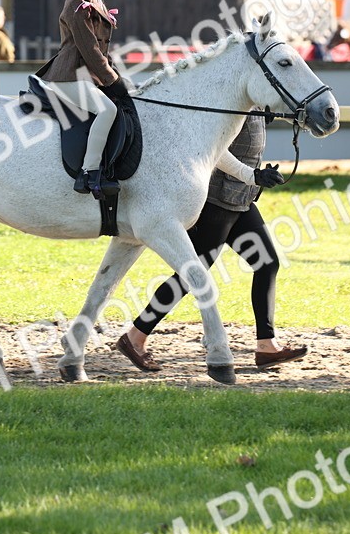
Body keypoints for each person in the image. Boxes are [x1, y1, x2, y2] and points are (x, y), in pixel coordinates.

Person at [115, 115, 308, 372]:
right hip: (217, 201)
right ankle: (135, 336)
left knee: (266, 262)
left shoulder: (256, 99)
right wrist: (253, 175)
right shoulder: (231, 102)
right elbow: (213, 149)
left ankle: (266, 346)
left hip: (241, 200)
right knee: (191, 274)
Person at [36, 0, 128, 199]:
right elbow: (89, 51)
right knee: (107, 111)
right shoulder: (76, 4)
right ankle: (89, 172)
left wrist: (117, 77)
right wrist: (112, 81)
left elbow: (102, 50)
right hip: (69, 77)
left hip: (86, 76)